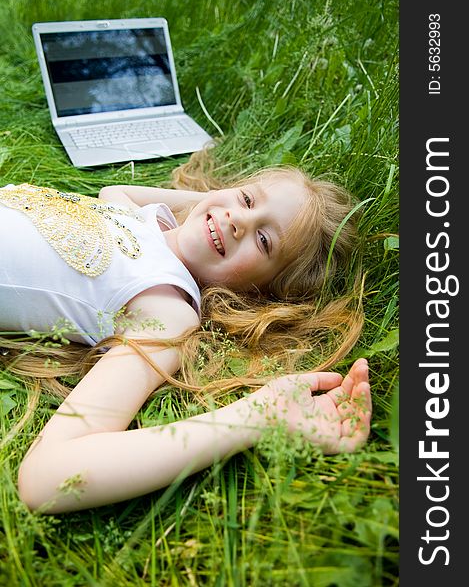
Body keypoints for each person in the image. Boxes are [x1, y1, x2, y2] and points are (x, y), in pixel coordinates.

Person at [0, 154, 371, 514]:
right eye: (247, 198)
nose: (238, 220)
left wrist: (259, 415)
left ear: (260, 291)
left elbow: (47, 476)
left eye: (264, 241)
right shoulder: (143, 220)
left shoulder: (167, 306)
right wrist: (216, 202)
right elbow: (112, 190)